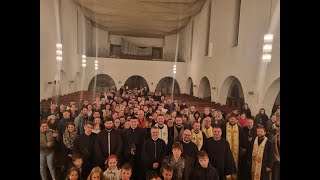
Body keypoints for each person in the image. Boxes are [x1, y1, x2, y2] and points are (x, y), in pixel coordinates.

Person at [221, 115, 246, 180]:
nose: (233, 121)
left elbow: (243, 138)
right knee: (226, 162)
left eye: (234, 119)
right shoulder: (224, 127)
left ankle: (235, 177)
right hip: (225, 150)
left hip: (236, 151)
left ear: (236, 120)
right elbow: (221, 137)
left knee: (235, 163)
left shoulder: (239, 128)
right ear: (229, 119)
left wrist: (244, 147)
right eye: (231, 119)